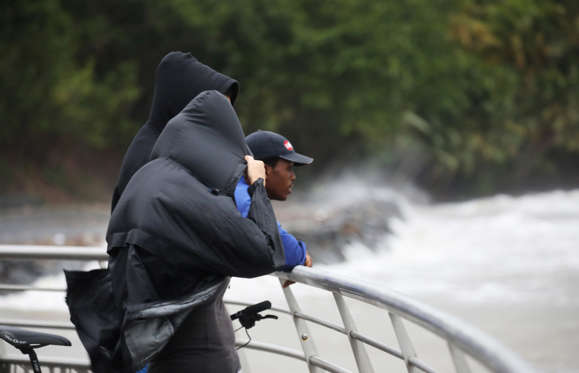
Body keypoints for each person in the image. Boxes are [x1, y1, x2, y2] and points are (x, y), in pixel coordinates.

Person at [65, 91, 304, 373]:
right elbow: (265, 253)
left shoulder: (149, 178)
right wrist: (258, 186)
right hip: (197, 356)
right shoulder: (185, 192)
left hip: (153, 346)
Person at [110, 51, 239, 211]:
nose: (224, 121)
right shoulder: (154, 156)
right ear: (190, 103)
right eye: (218, 110)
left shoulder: (175, 147)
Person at [244, 130, 314, 271]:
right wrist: (301, 256)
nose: (293, 177)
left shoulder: (244, 193)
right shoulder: (245, 199)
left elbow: (276, 234)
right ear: (265, 169)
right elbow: (285, 251)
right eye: (288, 168)